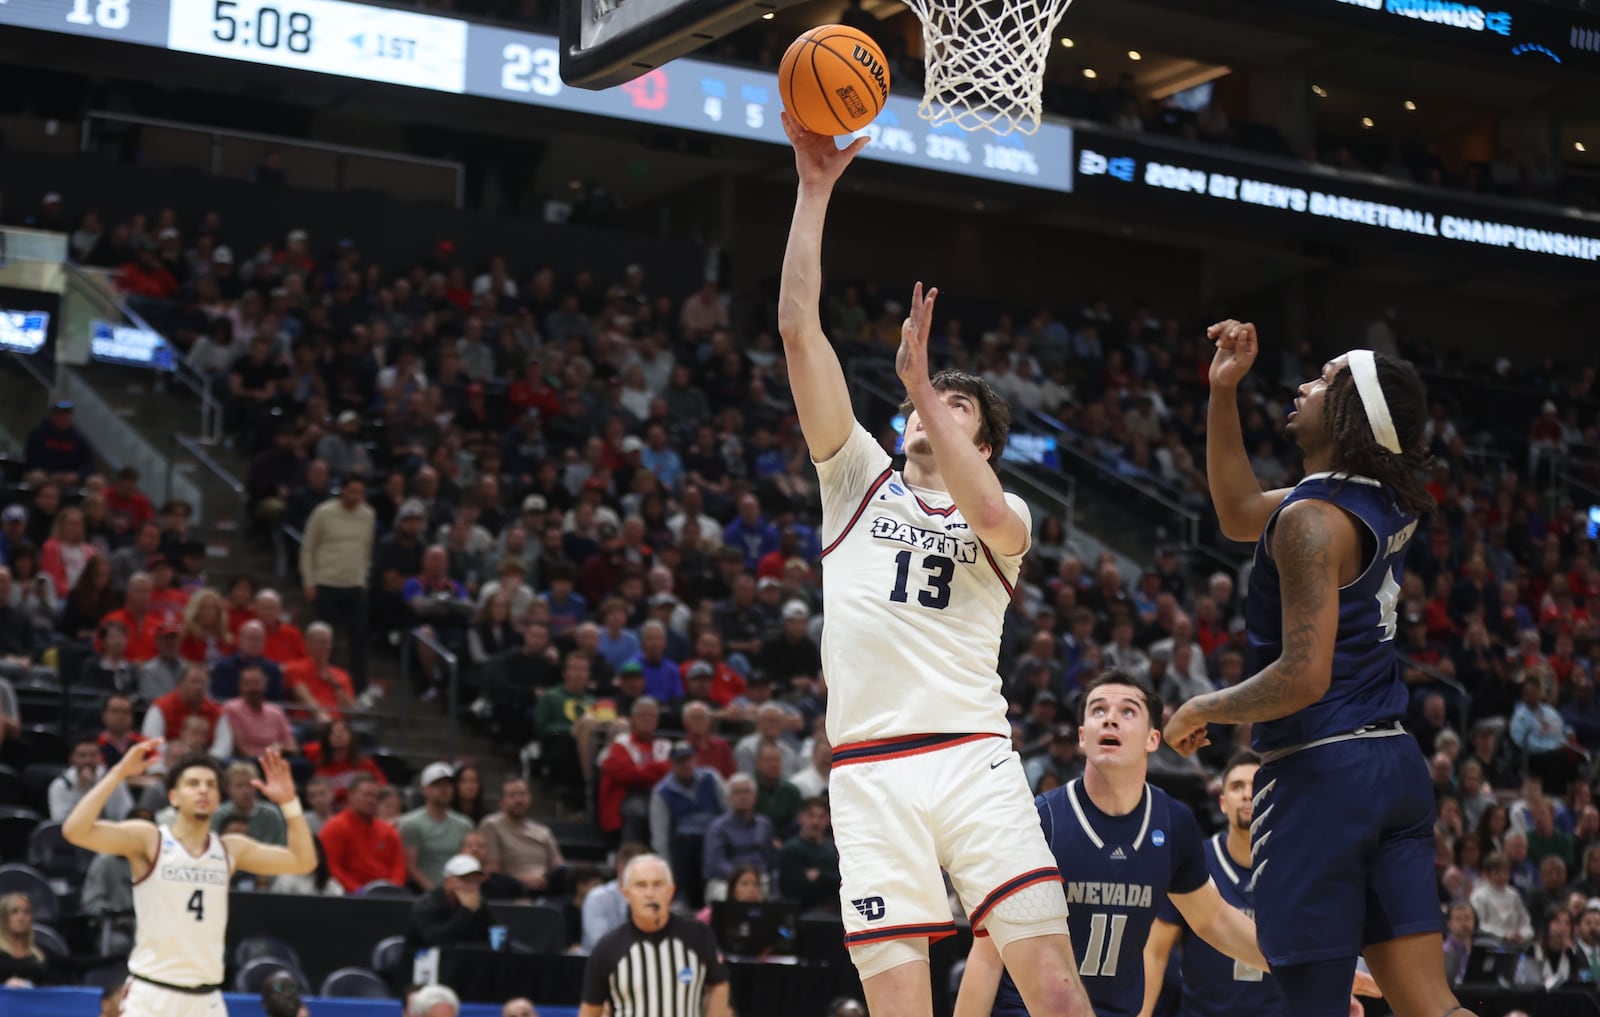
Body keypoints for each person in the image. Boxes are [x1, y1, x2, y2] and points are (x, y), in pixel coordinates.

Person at [776, 112, 1086, 1017]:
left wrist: (920, 384)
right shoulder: (856, 480)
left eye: (958, 412)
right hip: (867, 773)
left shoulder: (1006, 515)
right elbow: (800, 332)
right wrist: (815, 188)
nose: (931, 414)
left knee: (1058, 997)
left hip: (972, 761)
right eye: (925, 403)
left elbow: (985, 505)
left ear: (982, 443)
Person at [1164, 322, 1475, 1017]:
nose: (1304, 384)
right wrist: (1222, 392)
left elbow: (1303, 676)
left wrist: (1204, 706)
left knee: (1311, 1004)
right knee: (1433, 1005)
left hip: (1323, 775)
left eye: (1326, 377)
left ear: (1349, 413)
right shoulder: (1376, 498)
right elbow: (1241, 513)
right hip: (1393, 765)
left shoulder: (1312, 520)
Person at [955, 675, 1293, 1017]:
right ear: (1083, 736)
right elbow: (987, 954)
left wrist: (1310, 972)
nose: (1110, 718)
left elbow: (1214, 920)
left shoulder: (1173, 823)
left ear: (1152, 739)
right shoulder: (1042, 819)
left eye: (1128, 711)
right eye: (1097, 710)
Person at [60, 744, 315, 1017]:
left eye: (210, 784)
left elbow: (304, 861)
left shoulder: (231, 849)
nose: (203, 790)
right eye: (193, 783)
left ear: (219, 797)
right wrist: (118, 773)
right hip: (152, 994)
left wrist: (289, 803)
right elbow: (75, 830)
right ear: (173, 796)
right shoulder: (150, 840)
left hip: (206, 999)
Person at [1140, 751, 1283, 1017]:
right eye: (1237, 786)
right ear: (1223, 802)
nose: (1247, 794)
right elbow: (1156, 952)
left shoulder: (1294, 869)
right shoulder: (1195, 860)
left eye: (1256, 786)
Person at [578, 854, 730, 1017]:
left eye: (657, 885)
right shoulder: (607, 948)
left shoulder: (697, 935)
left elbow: (718, 986)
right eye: (641, 885)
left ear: (671, 890)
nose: (650, 893)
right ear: (626, 894)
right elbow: (590, 1010)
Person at [300, 477, 374, 692]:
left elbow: (367, 549)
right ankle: (321, 685)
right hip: (326, 582)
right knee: (325, 641)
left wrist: (364, 576)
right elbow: (308, 549)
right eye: (351, 491)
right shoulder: (323, 512)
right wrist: (309, 581)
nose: (355, 497)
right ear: (342, 491)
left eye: (360, 493)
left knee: (359, 638)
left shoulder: (368, 515)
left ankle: (359, 689)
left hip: (355, 585)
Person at [318, 773, 407, 891]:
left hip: (387, 895)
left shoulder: (389, 831)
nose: (371, 800)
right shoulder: (335, 827)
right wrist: (358, 891)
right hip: (349, 897)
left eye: (375, 796)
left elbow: (398, 867)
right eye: (366, 795)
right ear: (351, 796)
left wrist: (393, 889)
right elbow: (331, 867)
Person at [478, 776, 564, 894]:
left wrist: (544, 879)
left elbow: (558, 866)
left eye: (523, 794)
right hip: (510, 891)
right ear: (501, 802)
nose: (519, 800)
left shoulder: (543, 831)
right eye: (512, 795)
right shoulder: (491, 825)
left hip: (547, 888)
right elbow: (492, 871)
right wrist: (522, 880)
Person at [399, 763, 474, 892]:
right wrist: (435, 893)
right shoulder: (410, 824)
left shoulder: (464, 824)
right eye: (437, 785)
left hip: (459, 892)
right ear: (425, 789)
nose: (444, 789)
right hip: (423, 894)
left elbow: (468, 861)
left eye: (448, 785)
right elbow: (410, 867)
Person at [404, 853, 493, 954]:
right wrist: (465, 911)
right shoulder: (426, 904)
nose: (471, 886)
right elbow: (437, 941)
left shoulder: (478, 903)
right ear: (448, 881)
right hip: (424, 962)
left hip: (465, 962)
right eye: (465, 880)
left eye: (476, 881)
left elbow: (491, 936)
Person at [581, 842, 649, 952]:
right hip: (601, 964)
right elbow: (601, 944)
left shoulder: (651, 899)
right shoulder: (597, 898)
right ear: (620, 868)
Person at [50, 737, 135, 822]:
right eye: (82, 756)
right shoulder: (60, 785)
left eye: (93, 755)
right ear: (71, 759)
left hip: (109, 831)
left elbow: (127, 814)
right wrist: (83, 790)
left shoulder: (113, 780)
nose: (88, 760)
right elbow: (60, 821)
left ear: (100, 757)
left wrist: (97, 787)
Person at [210, 761, 287, 845]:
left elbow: (281, 847)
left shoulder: (271, 815)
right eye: (239, 786)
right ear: (228, 788)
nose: (245, 791)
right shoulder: (218, 815)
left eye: (250, 785)